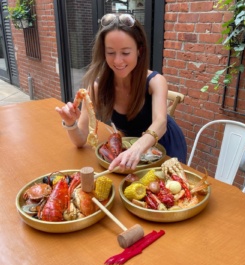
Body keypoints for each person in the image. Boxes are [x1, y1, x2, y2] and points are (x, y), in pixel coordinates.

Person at [55, 13, 187, 171]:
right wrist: (70, 123)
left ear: (139, 50)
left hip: (165, 145)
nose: (117, 61)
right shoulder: (97, 87)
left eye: (125, 53)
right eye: (110, 52)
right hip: (129, 148)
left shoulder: (155, 81)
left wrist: (137, 147)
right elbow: (81, 139)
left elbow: (160, 122)